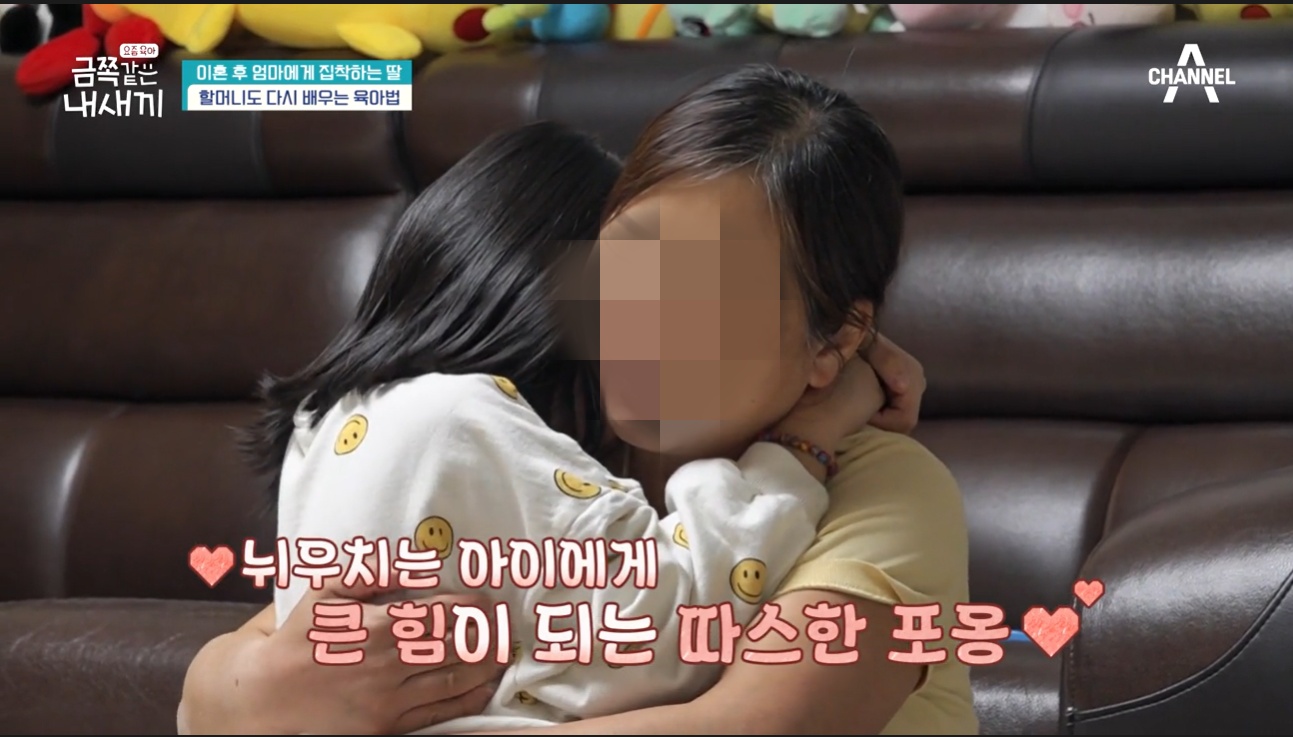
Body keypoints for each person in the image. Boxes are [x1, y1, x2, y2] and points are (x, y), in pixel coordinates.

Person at [180, 64, 977, 735]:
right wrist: (252, 696)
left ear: (835, 339)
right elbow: (234, 677)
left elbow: (753, 726)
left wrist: (808, 435)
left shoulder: (884, 491)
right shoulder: (546, 452)